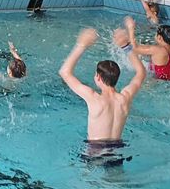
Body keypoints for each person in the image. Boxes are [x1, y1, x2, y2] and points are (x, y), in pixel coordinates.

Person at [58, 22, 147, 161]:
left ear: (98, 77)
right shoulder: (125, 97)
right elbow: (141, 72)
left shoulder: (94, 98)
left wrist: (81, 45)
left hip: (95, 150)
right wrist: (125, 46)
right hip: (117, 149)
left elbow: (64, 72)